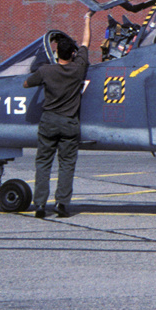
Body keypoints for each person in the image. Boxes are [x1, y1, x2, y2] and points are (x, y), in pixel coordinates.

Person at [25, 35, 90, 218]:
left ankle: (39, 205)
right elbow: (85, 42)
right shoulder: (78, 69)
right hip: (69, 122)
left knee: (43, 164)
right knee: (67, 165)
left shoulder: (46, 71)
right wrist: (88, 19)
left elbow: (26, 83)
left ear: (56, 53)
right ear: (72, 53)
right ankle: (61, 204)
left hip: (49, 121)